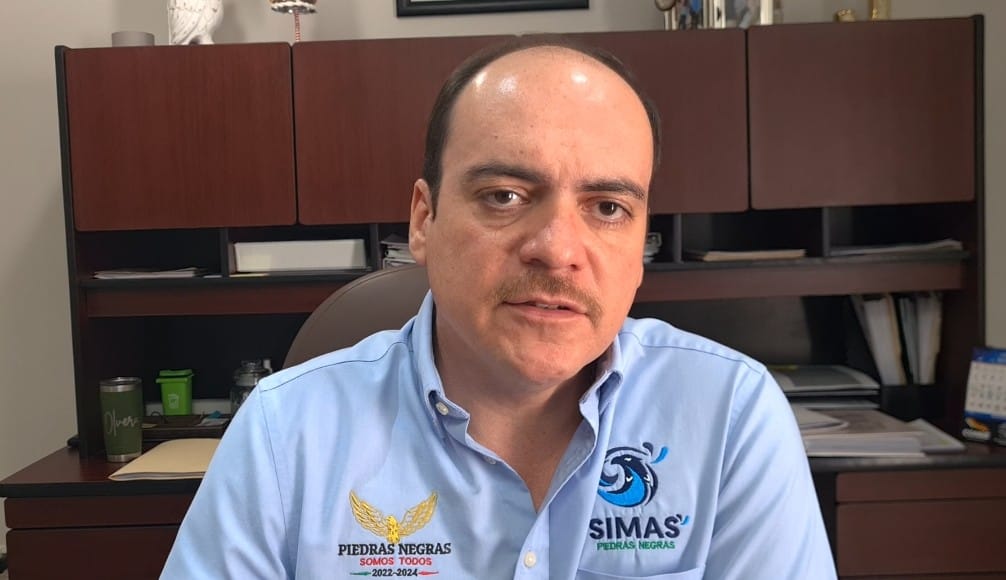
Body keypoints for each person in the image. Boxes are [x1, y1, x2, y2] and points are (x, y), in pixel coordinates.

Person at [161, 36, 836, 579]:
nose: (557, 249)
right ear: (423, 220)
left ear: (639, 248)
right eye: (505, 196)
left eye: (607, 208)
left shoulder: (731, 417)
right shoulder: (285, 432)